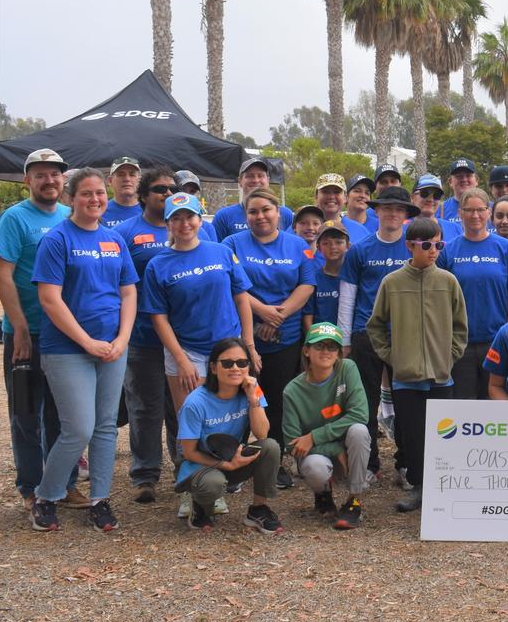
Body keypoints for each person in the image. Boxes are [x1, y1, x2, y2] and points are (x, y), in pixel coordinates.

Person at [28, 167, 139, 532]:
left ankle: (100, 499)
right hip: (67, 348)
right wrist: (87, 341)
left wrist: (122, 339)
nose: (94, 200)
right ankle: (47, 495)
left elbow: (128, 291)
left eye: (99, 194)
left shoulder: (114, 240)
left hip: (112, 347)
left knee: (106, 426)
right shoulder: (58, 239)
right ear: (70, 198)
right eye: (86, 194)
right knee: (79, 428)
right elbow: (49, 299)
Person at [139, 192, 255, 517]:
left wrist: (247, 344)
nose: (184, 223)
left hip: (228, 349)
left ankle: (215, 482)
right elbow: (158, 317)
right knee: (187, 423)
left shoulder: (221, 251)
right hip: (186, 351)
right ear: (168, 223)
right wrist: (180, 358)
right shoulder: (158, 265)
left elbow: (241, 297)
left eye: (190, 216)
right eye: (176, 218)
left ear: (199, 218)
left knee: (226, 417)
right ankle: (189, 486)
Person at [367, 216, 468, 512]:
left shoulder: (448, 281)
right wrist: (394, 356)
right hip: (406, 379)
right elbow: (375, 326)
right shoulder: (392, 282)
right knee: (411, 436)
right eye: (426, 245)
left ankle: (443, 487)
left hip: (440, 377)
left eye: (438, 244)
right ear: (410, 246)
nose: (433, 250)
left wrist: (449, 356)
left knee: (442, 435)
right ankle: (419, 488)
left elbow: (461, 326)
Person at [0, 149, 80, 511]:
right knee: (26, 415)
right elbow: (3, 274)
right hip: (26, 333)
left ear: (64, 179)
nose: (49, 180)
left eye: (55, 174)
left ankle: (63, 483)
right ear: (27, 180)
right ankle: (31, 487)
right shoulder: (14, 219)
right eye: (41, 174)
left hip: (62, 336)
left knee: (64, 414)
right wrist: (17, 328)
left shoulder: (70, 216)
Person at [224, 187, 316, 489]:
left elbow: (306, 285)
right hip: (240, 339)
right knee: (236, 403)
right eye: (253, 211)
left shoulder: (297, 245)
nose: (260, 216)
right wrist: (263, 313)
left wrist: (279, 316)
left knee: (276, 403)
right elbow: (232, 286)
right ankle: (232, 465)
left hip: (284, 338)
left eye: (266, 210)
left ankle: (272, 463)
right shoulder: (231, 244)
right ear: (245, 215)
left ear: (278, 212)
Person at [337, 185, 415, 480]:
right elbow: (348, 296)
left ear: (406, 214)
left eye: (399, 209)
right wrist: (344, 340)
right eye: (387, 208)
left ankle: (406, 462)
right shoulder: (360, 250)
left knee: (406, 402)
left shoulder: (414, 248)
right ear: (377, 211)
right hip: (366, 335)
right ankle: (368, 464)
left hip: (406, 336)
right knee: (365, 402)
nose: (393, 213)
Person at [118, 166, 183, 504]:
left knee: (180, 406)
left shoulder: (188, 229)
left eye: (173, 189)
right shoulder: (125, 233)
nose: (167, 194)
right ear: (143, 195)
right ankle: (145, 475)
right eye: (160, 189)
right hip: (143, 337)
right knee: (144, 408)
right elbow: (116, 284)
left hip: (183, 339)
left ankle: (184, 468)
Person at [174, 338, 282, 534]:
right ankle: (200, 506)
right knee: (213, 483)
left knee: (270, 447)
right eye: (227, 363)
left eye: (242, 363)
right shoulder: (195, 402)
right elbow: (189, 453)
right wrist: (228, 465)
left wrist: (252, 399)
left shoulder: (252, 389)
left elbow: (262, 433)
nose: (236, 368)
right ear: (214, 368)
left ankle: (259, 509)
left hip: (232, 456)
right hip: (199, 465)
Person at [440, 188, 508, 400]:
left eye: (480, 210)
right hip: (460, 342)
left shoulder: (505, 248)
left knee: (493, 401)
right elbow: (441, 298)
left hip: (495, 340)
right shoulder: (449, 251)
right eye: (469, 210)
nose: (475, 216)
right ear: (460, 213)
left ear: (488, 212)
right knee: (463, 401)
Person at [282, 322, 369, 530]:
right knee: (315, 467)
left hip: (345, 450)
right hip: (319, 454)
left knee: (359, 431)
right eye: (319, 346)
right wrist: (334, 448)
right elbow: (291, 443)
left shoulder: (347, 369)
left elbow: (360, 414)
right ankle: (323, 493)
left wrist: (313, 436)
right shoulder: (292, 391)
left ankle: (354, 501)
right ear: (306, 351)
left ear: (339, 353)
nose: (326, 351)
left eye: (332, 347)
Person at [211, 158, 294, 241]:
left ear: (268, 180)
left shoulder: (286, 215)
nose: (256, 180)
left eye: (260, 176)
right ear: (240, 181)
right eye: (250, 176)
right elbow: (217, 251)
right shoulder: (224, 216)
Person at [310, 221, 350, 326]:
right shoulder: (314, 278)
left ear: (348, 245)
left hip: (349, 337)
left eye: (338, 242)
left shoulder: (354, 277)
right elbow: (308, 314)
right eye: (326, 243)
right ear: (318, 248)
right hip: (320, 338)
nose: (332, 246)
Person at [314, 173, 369, 243]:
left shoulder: (360, 231)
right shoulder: (307, 230)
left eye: (336, 192)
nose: (331, 196)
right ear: (316, 196)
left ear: (345, 197)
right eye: (325, 192)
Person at [102, 155, 142, 230]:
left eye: (132, 175)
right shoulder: (100, 211)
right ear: (110, 181)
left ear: (139, 180)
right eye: (121, 175)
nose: (127, 179)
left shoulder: (150, 211)